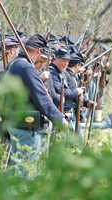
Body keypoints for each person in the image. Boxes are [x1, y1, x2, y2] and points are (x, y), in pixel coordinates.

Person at [5, 33, 67, 177]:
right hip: (27, 127)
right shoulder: (26, 67)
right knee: (27, 173)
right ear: (39, 51)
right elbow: (42, 98)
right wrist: (59, 118)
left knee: (17, 168)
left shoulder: (13, 63)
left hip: (15, 123)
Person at [49, 48, 84, 142]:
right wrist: (76, 92)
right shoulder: (52, 72)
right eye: (63, 60)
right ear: (56, 58)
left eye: (67, 61)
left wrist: (77, 95)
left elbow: (66, 91)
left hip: (65, 114)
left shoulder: (61, 72)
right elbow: (61, 92)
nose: (66, 64)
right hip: (57, 114)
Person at [64, 52, 96, 142]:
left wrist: (86, 102)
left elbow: (76, 93)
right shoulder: (67, 75)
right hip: (70, 113)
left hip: (74, 114)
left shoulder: (72, 76)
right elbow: (70, 94)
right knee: (74, 143)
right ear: (77, 65)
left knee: (79, 141)